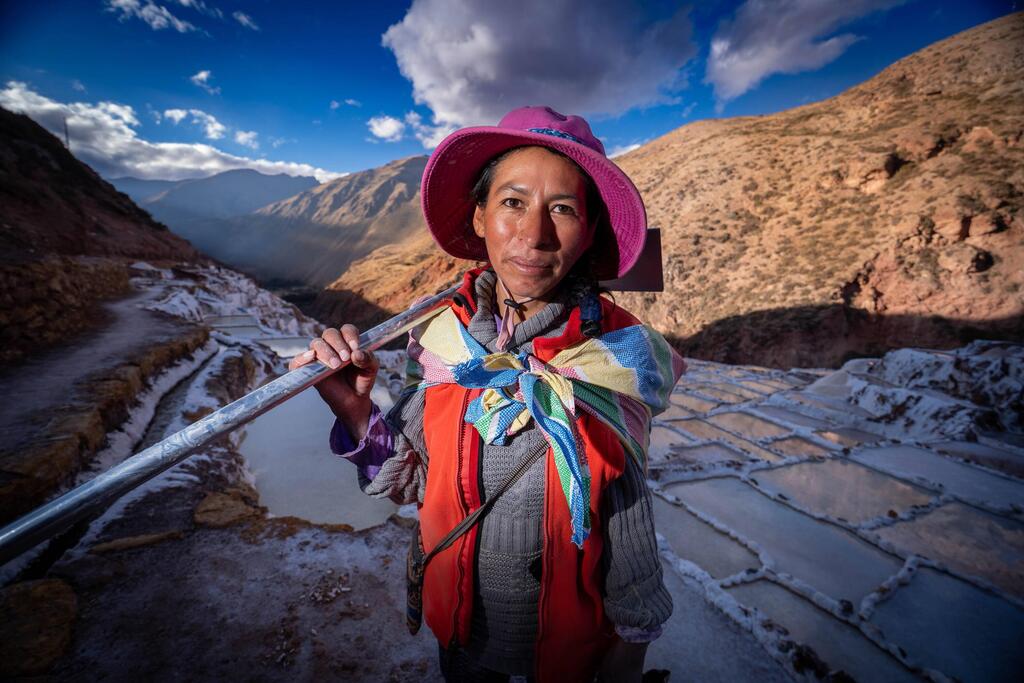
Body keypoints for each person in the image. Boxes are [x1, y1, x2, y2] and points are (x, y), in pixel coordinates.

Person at [290, 105, 686, 682]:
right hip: (460, 632)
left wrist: (630, 653)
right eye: (512, 202)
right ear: (479, 217)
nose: (533, 234)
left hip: (566, 650)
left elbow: (627, 523)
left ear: (590, 230)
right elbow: (414, 481)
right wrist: (355, 410)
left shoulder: (611, 362)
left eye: (564, 209)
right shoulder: (443, 341)